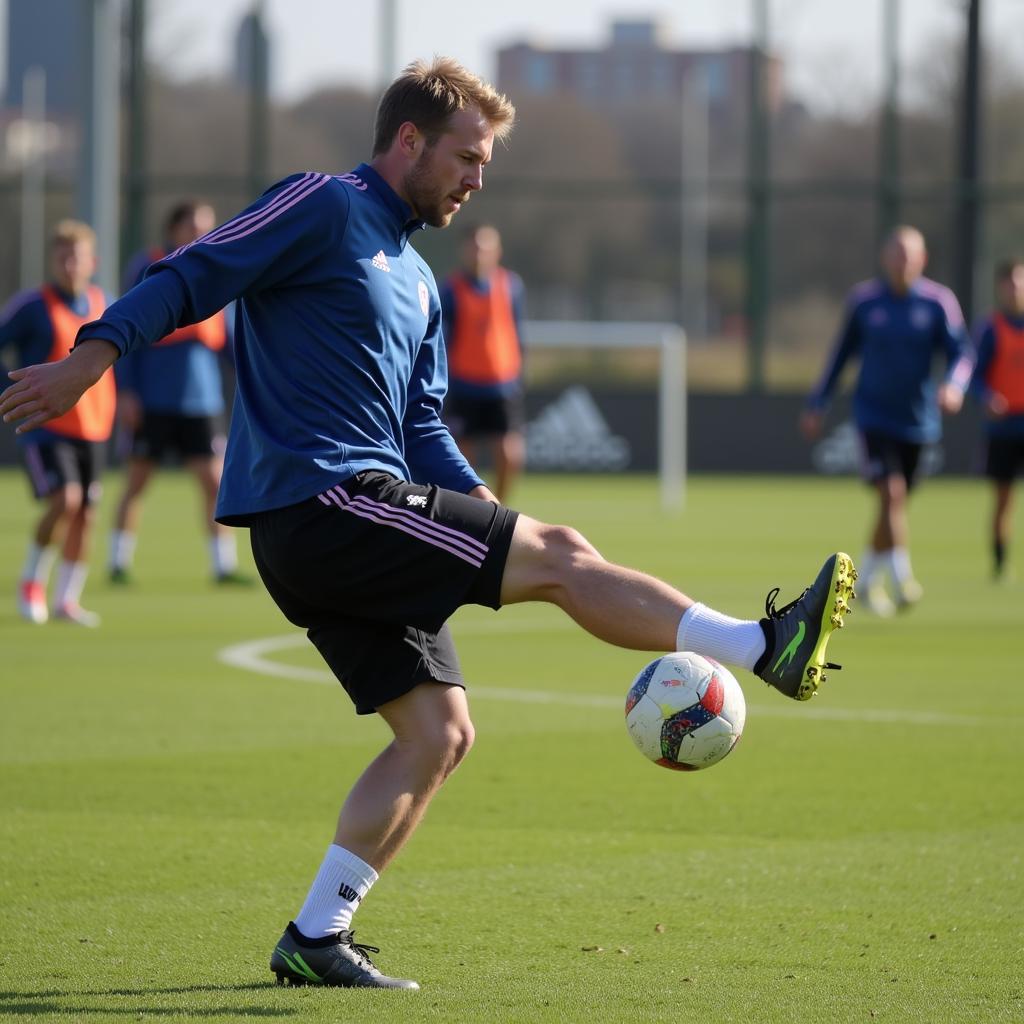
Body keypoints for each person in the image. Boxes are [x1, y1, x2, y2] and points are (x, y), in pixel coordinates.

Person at [1, 58, 856, 990]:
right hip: (321, 501)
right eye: (467, 156)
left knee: (440, 733)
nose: (477, 178)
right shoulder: (321, 206)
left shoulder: (417, 279)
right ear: (408, 139)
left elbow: (421, 426)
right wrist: (95, 357)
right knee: (566, 559)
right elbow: (192, 275)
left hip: (348, 521)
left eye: (486, 164)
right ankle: (760, 642)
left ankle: (316, 935)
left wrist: (486, 511)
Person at [801, 225, 972, 616]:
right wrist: (818, 403)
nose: (902, 261)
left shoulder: (936, 302)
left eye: (909, 254)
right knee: (891, 495)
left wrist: (955, 385)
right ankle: (903, 580)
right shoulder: (865, 302)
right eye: (896, 253)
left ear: (922, 260)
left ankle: (867, 581)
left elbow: (962, 352)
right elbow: (840, 356)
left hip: (918, 421)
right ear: (884, 258)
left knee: (891, 505)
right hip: (873, 417)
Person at [108, 200, 246, 585]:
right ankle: (117, 561)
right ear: (174, 228)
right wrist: (128, 391)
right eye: (194, 226)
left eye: (207, 226)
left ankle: (223, 566)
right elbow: (125, 329)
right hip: (153, 399)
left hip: (200, 401)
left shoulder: (217, 271)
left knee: (214, 483)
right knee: (137, 481)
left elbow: (228, 340)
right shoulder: (149, 267)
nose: (202, 234)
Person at [0, 220, 114, 627]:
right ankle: (31, 581)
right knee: (64, 500)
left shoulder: (106, 304)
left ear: (93, 262)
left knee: (86, 512)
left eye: (77, 256)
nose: (69, 263)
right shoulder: (34, 306)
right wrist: (11, 392)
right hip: (49, 424)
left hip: (95, 425)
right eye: (62, 255)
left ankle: (67, 599)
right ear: (53, 260)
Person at [440, 222, 525, 503]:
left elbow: (516, 332)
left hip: (502, 385)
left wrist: (520, 374)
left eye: (486, 247)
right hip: (463, 385)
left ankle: (500, 513)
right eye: (475, 246)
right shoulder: (450, 290)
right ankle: (473, 515)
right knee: (463, 460)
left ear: (497, 251)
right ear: (465, 250)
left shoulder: (511, 285)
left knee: (510, 456)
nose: (480, 253)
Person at [968, 258, 1024, 580]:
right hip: (1003, 427)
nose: (1015, 288)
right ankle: (1001, 562)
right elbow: (974, 376)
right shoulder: (991, 328)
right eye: (1010, 282)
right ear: (1001, 288)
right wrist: (987, 397)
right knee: (1003, 499)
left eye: (1019, 281)